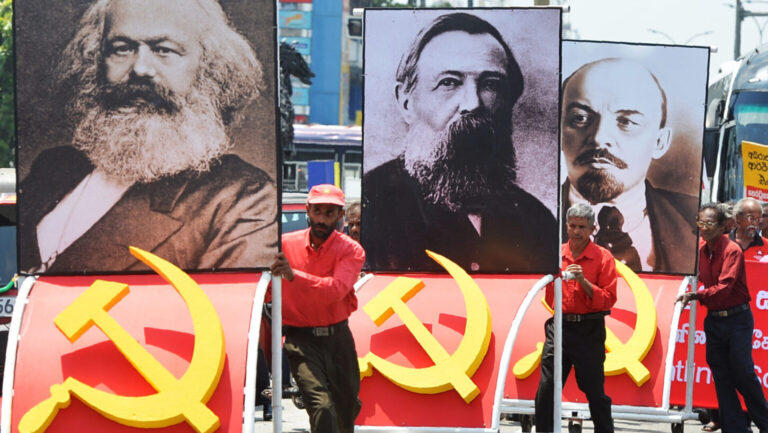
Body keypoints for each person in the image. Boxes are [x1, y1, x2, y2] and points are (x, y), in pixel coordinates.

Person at [18, 0, 277, 273]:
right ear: (96, 60)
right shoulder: (53, 165)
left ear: (209, 67)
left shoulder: (241, 198)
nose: (140, 68)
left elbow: (225, 299)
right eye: (121, 49)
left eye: (164, 50)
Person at [363, 12, 557, 274]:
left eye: (490, 84)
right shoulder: (374, 204)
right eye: (449, 83)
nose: (472, 103)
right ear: (406, 102)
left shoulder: (537, 220)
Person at [560, 58, 698, 274]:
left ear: (660, 142)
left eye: (626, 122)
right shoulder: (528, 221)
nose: (599, 138)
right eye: (580, 118)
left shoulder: (694, 219)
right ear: (559, 133)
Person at [270, 184, 365, 433]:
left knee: (346, 409)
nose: (322, 219)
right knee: (321, 406)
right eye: (318, 211)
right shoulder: (284, 245)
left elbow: (336, 290)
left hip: (338, 340)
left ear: (340, 215)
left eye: (329, 213)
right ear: (308, 211)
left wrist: (294, 275)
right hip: (301, 341)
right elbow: (265, 288)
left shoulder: (352, 250)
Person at [677, 203, 768, 433]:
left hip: (738, 320)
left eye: (709, 223)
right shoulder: (699, 250)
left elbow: (725, 287)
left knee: (743, 372)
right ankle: (735, 428)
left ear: (722, 226)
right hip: (714, 320)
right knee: (721, 376)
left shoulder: (732, 250)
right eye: (700, 222)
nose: (703, 227)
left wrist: (696, 295)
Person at [535, 203, 617, 433]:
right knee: (547, 387)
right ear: (567, 226)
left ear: (592, 228)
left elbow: (609, 299)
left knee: (594, 390)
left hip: (589, 330)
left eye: (582, 227)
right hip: (559, 327)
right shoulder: (555, 254)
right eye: (572, 226)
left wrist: (583, 282)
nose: (577, 231)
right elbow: (546, 291)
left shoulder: (603, 257)